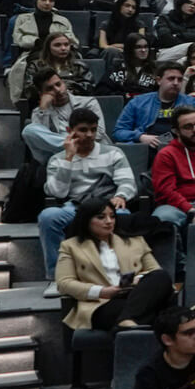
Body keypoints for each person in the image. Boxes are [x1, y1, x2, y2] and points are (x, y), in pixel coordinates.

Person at [37, 108, 135, 278]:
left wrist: (120, 196)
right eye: (83, 130)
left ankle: (121, 273)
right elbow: (58, 192)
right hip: (75, 207)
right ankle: (58, 275)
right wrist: (68, 159)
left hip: (107, 205)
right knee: (48, 216)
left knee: (123, 215)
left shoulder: (113, 153)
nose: (89, 135)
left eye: (93, 130)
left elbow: (127, 182)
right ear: (70, 131)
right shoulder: (58, 159)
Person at [55, 199, 177, 333]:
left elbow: (154, 270)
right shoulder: (70, 246)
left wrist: (137, 280)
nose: (109, 221)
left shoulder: (135, 241)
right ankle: (129, 321)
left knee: (161, 276)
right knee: (154, 314)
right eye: (101, 217)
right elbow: (64, 283)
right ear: (86, 220)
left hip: (136, 295)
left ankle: (125, 323)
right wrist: (102, 291)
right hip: (101, 303)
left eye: (112, 216)